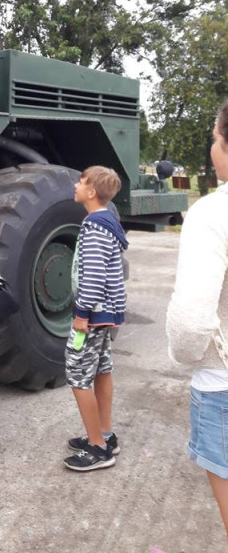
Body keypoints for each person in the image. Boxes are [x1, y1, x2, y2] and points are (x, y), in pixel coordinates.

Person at [166, 100, 228, 535]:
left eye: (213, 138)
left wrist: (183, 353)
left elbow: (190, 325)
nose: (211, 147)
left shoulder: (211, 214)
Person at [63, 165, 128, 472]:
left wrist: (81, 314)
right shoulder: (108, 223)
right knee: (102, 368)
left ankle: (98, 448)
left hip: (92, 315)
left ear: (91, 192)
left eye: (81, 181)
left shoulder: (93, 227)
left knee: (77, 374)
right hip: (106, 313)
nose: (76, 185)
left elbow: (93, 278)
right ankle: (104, 432)